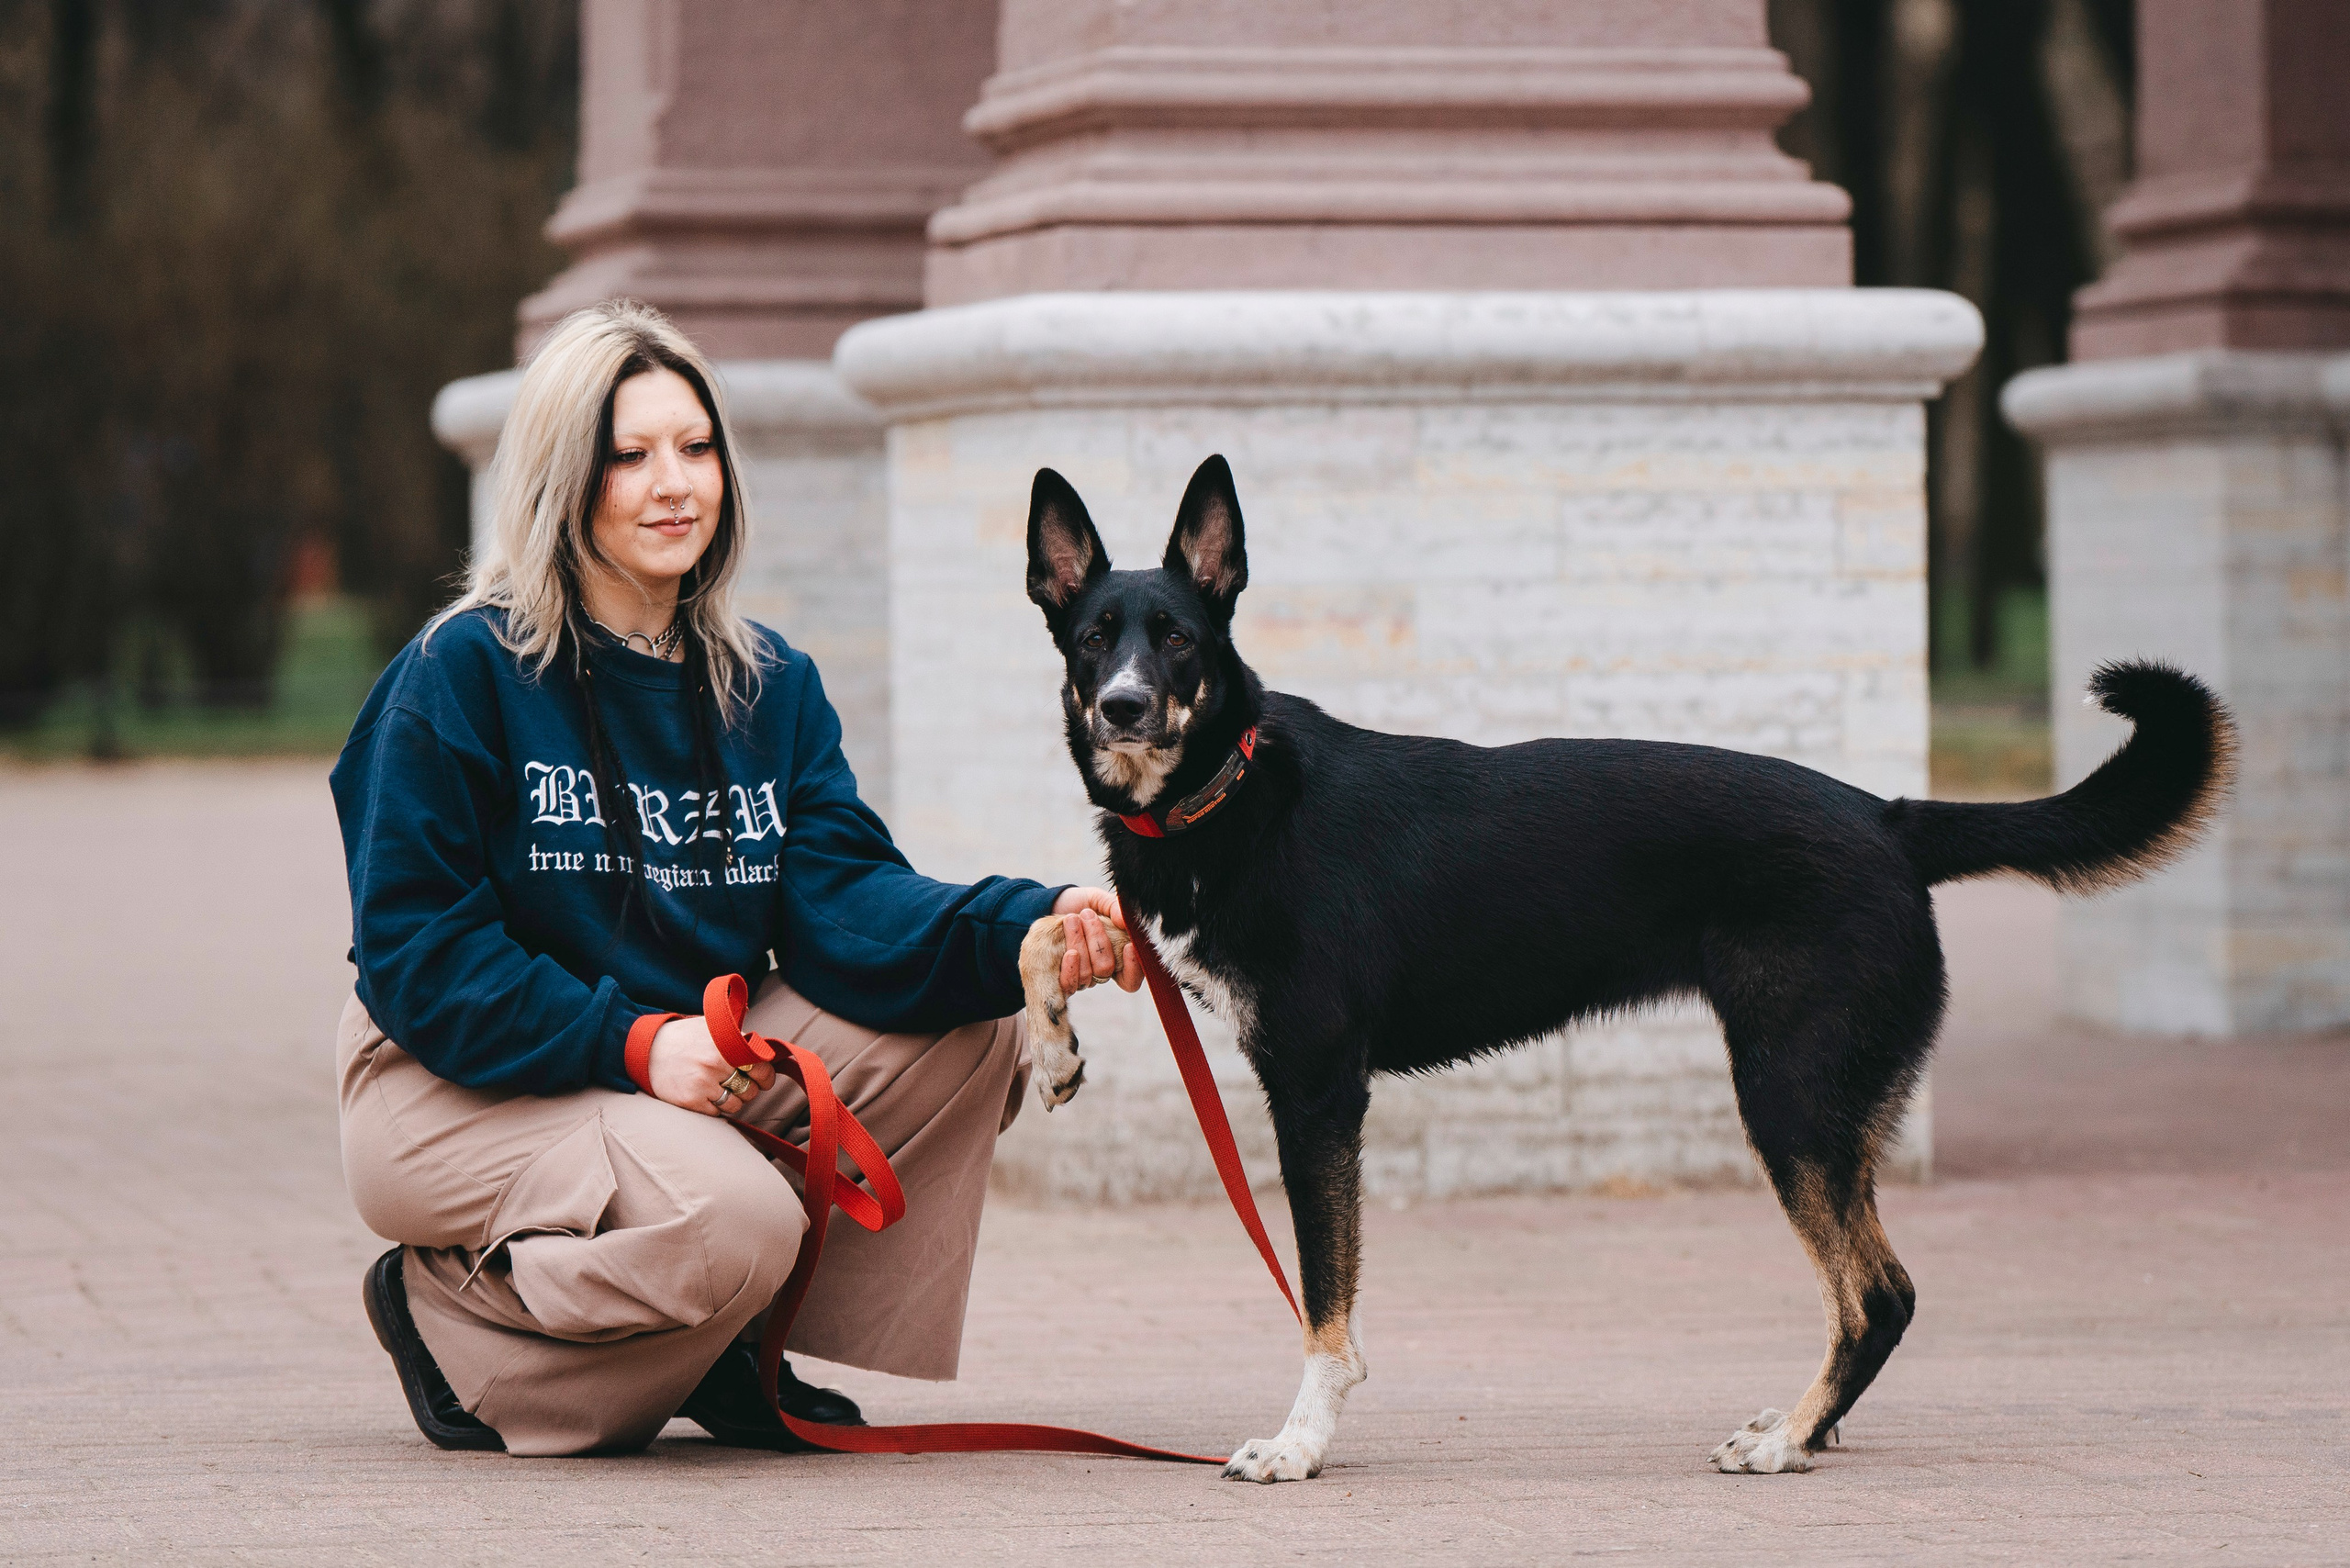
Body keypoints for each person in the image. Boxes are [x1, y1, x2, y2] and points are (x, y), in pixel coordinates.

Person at [330, 299, 1139, 1458]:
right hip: (448, 1077)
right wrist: (637, 1046)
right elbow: (421, 955)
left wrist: (1026, 922)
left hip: (673, 1055)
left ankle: (739, 1344)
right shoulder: (461, 673)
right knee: (736, 1218)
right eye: (631, 454)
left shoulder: (769, 682)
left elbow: (843, 901)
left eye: (697, 448)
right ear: (567, 477)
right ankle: (456, 1315)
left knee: (973, 1033)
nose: (676, 484)